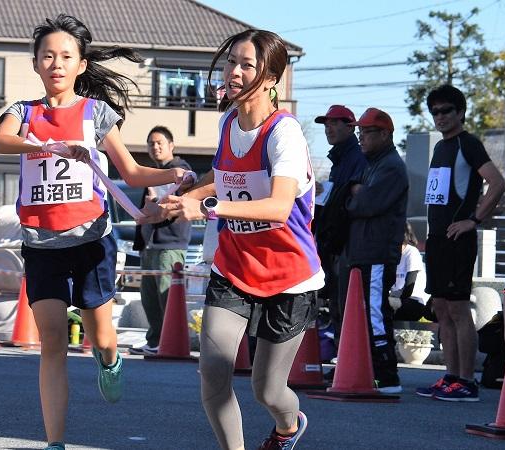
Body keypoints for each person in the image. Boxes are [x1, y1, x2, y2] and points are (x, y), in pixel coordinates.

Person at [0, 14, 188, 450]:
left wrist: (170, 172)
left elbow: (132, 173)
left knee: (102, 336)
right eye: (47, 56)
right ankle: (55, 442)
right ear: (36, 64)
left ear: (81, 65)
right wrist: (45, 145)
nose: (56, 64)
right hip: (42, 243)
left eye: (66, 56)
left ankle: (111, 360)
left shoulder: (96, 113)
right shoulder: (22, 113)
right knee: (53, 343)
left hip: (91, 241)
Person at [154, 29, 324, 450]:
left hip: (289, 278)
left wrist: (208, 208)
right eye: (232, 61)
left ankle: (287, 426)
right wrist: (182, 199)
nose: (234, 71)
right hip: (233, 269)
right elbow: (223, 178)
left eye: (247, 64)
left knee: (268, 390)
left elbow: (278, 206)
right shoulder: (227, 121)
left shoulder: (284, 134)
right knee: (212, 375)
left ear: (271, 79)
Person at [416, 84, 505, 402]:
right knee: (440, 307)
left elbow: (497, 182)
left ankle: (467, 381)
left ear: (460, 113)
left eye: (446, 111)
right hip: (438, 239)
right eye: (435, 112)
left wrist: (474, 220)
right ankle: (451, 377)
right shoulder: (441, 148)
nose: (440, 117)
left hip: (459, 239)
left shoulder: (468, 144)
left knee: (457, 307)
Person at [345, 108, 408, 394]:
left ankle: (386, 375)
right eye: (359, 133)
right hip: (365, 250)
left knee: (374, 312)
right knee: (366, 311)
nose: (361, 139)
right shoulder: (374, 163)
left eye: (366, 133)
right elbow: (354, 198)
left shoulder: (391, 166)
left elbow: (363, 204)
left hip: (378, 251)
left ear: (385, 134)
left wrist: (358, 194)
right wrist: (356, 193)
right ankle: (370, 370)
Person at [312, 104, 367, 374]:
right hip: (336, 244)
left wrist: (330, 195)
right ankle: (344, 363)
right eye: (326, 124)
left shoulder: (356, 157)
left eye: (335, 123)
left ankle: (354, 366)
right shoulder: (340, 159)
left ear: (351, 127)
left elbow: (353, 201)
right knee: (337, 306)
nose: (329, 129)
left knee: (348, 307)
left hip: (350, 244)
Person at [130, 126, 192, 355]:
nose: (155, 147)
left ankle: (171, 343)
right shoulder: (155, 172)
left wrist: (157, 203)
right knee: (149, 298)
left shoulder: (180, 171)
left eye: (159, 143)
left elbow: (177, 203)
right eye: (151, 143)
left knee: (167, 297)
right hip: (149, 244)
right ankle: (155, 342)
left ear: (171, 146)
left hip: (169, 245)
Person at [389, 222, 428, 321]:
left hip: (413, 301)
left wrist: (394, 296)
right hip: (396, 298)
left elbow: (409, 288)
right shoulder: (391, 255)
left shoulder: (412, 252)